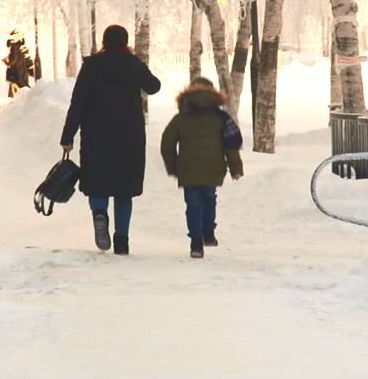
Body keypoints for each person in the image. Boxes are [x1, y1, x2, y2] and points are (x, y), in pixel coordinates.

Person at [60, 25, 161, 255]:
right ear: (125, 42)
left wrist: (68, 137)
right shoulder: (132, 64)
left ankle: (99, 214)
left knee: (98, 184)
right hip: (129, 137)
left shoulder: (92, 66)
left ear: (104, 42)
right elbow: (154, 86)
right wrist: (136, 63)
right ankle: (122, 240)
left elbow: (78, 103)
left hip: (96, 136)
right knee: (124, 190)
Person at [160, 77, 244, 259]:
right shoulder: (220, 118)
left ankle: (196, 243)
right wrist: (235, 167)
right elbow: (231, 144)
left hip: (188, 169)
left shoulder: (181, 118)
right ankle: (208, 233)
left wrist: (173, 166)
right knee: (209, 198)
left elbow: (167, 143)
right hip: (213, 168)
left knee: (192, 203)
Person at [3, 30, 35, 98]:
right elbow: (29, 64)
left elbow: (12, 60)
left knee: (15, 100)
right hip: (23, 78)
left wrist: (6, 61)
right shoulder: (24, 49)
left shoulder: (13, 48)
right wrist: (33, 72)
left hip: (16, 79)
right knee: (24, 98)